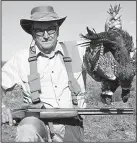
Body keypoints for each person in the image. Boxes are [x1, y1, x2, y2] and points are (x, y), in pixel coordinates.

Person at [2, 5, 122, 142]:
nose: (46, 36)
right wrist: (1, 107)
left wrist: (111, 32)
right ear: (32, 33)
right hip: (36, 123)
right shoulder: (21, 59)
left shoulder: (77, 50)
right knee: (27, 132)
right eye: (40, 31)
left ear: (58, 30)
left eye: (51, 29)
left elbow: (104, 55)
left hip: (71, 125)